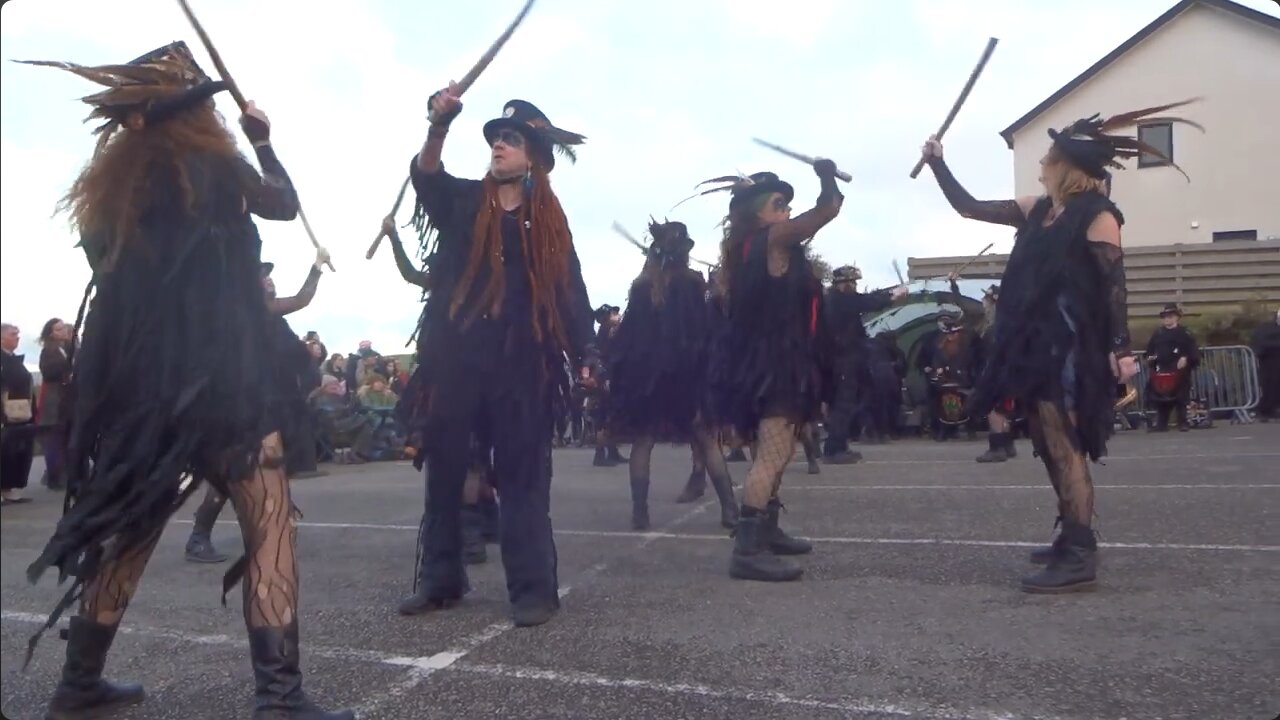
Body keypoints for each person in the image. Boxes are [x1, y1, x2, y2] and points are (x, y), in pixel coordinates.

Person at [19, 42, 353, 718]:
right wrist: (263, 142)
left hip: (144, 396)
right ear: (198, 115)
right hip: (226, 380)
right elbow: (282, 204)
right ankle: (280, 699)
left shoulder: (108, 199)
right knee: (268, 525)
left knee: (134, 531)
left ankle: (79, 682)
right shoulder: (216, 165)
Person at [919, 98, 1197, 593]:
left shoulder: (1099, 216)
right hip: (1032, 345)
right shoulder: (1038, 209)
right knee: (1047, 443)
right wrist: (940, 162)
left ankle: (1080, 550)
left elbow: (1115, 287)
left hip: (1070, 349)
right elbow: (969, 207)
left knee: (1065, 445)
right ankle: (1069, 534)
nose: (1043, 165)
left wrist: (1123, 350)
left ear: (1068, 167)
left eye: (1050, 158)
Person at [395, 86, 592, 627]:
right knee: (445, 472)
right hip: (458, 358)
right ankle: (440, 581)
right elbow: (426, 178)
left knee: (524, 475)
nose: (499, 146)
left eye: (511, 140)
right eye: (496, 139)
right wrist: (439, 125)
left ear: (535, 157)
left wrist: (588, 349)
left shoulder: (549, 220)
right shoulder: (465, 201)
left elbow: (571, 289)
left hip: (523, 364)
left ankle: (533, 590)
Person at [703, 161, 844, 583]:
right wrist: (826, 175)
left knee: (780, 449)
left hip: (773, 360)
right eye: (778, 204)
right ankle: (748, 548)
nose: (785, 211)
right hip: (776, 364)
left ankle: (768, 528)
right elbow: (829, 209)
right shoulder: (772, 239)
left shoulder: (748, 248)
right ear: (757, 212)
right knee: (773, 451)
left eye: (786, 205)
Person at [183, 253, 330, 564]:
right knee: (236, 473)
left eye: (269, 274)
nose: (269, 278)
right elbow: (302, 300)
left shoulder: (274, 320)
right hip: (245, 406)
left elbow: (291, 350)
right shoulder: (251, 311)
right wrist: (316, 268)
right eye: (262, 275)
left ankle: (262, 529)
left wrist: (307, 356)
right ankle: (200, 536)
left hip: (273, 404)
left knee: (264, 469)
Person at [607, 219, 738, 530]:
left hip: (648, 378)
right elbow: (705, 331)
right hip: (686, 376)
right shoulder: (693, 283)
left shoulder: (641, 287)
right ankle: (730, 509)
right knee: (706, 439)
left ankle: (640, 513)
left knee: (644, 441)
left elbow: (628, 336)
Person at [822, 265, 906, 461]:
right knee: (843, 403)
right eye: (850, 282)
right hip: (841, 359)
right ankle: (834, 450)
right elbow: (867, 302)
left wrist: (889, 293)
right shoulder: (838, 301)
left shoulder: (839, 299)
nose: (853, 285)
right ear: (840, 283)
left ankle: (840, 444)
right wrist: (892, 296)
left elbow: (865, 299)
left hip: (845, 358)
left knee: (846, 403)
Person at [1144, 303, 1200, 432]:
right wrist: (1150, 358)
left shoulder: (1184, 333)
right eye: (1165, 317)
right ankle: (1162, 424)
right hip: (1161, 369)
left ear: (1176, 318)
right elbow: (1150, 350)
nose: (1167, 319)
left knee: (1181, 397)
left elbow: (1193, 350)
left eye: (1170, 316)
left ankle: (1183, 422)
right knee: (1160, 397)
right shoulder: (1158, 333)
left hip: (1179, 370)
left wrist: (1186, 358)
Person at [38, 318, 75, 491]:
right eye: (59, 329)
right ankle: (54, 477)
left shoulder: (65, 349)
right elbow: (48, 371)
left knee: (66, 439)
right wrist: (68, 364)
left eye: (63, 328)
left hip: (65, 402)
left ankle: (63, 474)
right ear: (52, 333)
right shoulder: (49, 351)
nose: (64, 331)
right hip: (54, 403)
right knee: (54, 441)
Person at [1, 322, 36, 505]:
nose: (17, 337)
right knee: (5, 450)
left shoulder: (14, 359)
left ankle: (8, 487)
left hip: (20, 411)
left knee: (15, 451)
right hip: (6, 413)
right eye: (13, 334)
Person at [1251, 309, 1280, 421]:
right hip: (1270, 363)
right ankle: (1267, 409)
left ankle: (1270, 409)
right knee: (1270, 385)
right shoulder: (1265, 330)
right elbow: (1260, 344)